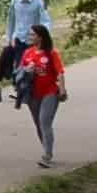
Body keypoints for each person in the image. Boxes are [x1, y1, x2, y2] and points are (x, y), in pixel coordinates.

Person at [22, 24, 68, 165]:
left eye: (32, 35)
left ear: (40, 37)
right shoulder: (28, 52)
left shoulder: (51, 53)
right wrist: (26, 69)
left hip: (49, 92)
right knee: (38, 123)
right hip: (32, 93)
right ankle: (45, 148)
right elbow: (20, 71)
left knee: (44, 122)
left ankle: (47, 155)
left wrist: (62, 89)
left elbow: (59, 71)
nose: (30, 37)